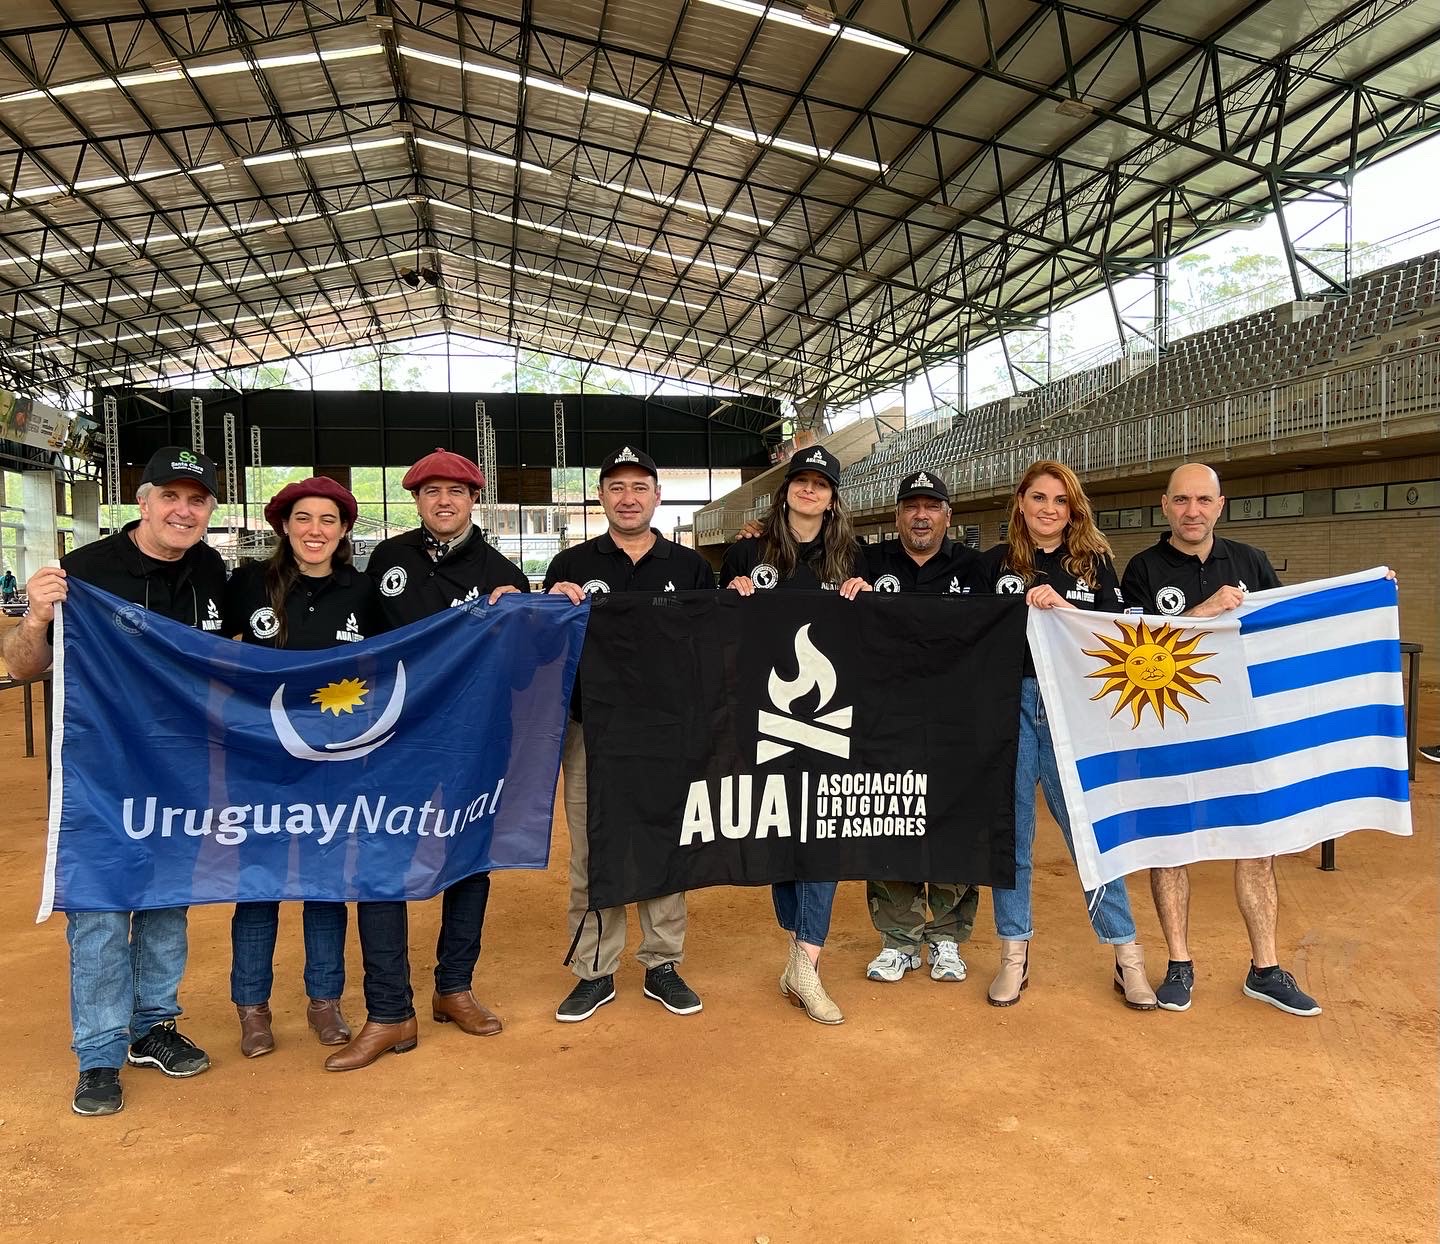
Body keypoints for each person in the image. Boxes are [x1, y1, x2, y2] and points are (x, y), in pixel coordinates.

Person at [2, 447, 227, 1116]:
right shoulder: (83, 571)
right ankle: (99, 1054)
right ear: (144, 501)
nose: (183, 510)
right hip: (97, 779)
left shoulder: (210, 570)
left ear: (209, 509)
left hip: (180, 772)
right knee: (100, 911)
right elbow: (23, 668)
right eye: (171, 497)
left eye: (197, 500)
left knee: (166, 902)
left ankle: (153, 1025)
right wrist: (35, 617)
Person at [324, 448, 528, 1071]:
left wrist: (533, 610)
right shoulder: (387, 560)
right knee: (379, 862)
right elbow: (355, 642)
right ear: (416, 500)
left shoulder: (501, 572)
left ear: (474, 501)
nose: (444, 501)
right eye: (432, 491)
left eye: (457, 492)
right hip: (390, 741)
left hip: (469, 743)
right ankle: (390, 1011)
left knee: (467, 860)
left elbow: (525, 670)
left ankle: (454, 988)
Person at [1121, 461, 1319, 1017]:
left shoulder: (1250, 561)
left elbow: (1286, 627)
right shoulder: (1141, 569)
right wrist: (1205, 614)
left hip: (1241, 725)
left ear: (1219, 505)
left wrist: (1364, 592)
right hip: (1171, 728)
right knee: (1170, 845)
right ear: (1164, 506)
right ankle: (1179, 964)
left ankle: (1265, 968)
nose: (1192, 511)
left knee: (1257, 846)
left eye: (1202, 501)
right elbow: (1133, 655)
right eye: (1181, 501)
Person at [977, 459, 1157, 1011]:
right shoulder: (992, 565)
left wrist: (1064, 611)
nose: (1049, 509)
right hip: (1008, 709)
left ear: (1072, 508)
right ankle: (1014, 954)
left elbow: (1118, 639)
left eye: (1060, 500)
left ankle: (1129, 959)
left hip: (1070, 714)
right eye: (1038, 498)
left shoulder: (1096, 567)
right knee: (1014, 839)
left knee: (1090, 835)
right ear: (1021, 503)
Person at [545, 445, 716, 1022]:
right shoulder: (570, 565)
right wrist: (548, 608)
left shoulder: (690, 569)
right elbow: (547, 653)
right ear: (602, 497)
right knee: (594, 845)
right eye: (617, 487)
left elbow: (712, 649)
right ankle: (595, 970)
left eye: (639, 487)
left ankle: (663, 962)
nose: (628, 497)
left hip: (668, 730)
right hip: (592, 729)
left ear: (657, 497)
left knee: (665, 840)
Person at [222, 476, 383, 1058]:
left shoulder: (364, 591)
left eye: (328, 521)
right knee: (257, 887)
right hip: (259, 758)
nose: (315, 530)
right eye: (304, 519)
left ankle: (324, 1002)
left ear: (343, 531)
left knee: (325, 885)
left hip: (334, 762)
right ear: (284, 526)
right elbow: (195, 650)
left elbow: (403, 657)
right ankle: (253, 1009)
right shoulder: (245, 584)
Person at [721, 444, 869, 1025]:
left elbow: (884, 622)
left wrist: (866, 596)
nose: (810, 491)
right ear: (786, 490)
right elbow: (718, 625)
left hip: (834, 713)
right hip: (763, 712)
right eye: (801, 482)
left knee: (824, 827)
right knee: (779, 825)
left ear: (833, 497)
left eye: (821, 484)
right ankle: (796, 944)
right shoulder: (747, 547)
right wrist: (731, 596)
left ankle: (808, 958)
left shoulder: (852, 554)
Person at [860, 469, 984, 984]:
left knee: (954, 820)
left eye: (931, 506)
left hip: (957, 720)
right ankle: (898, 939)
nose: (921, 515)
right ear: (897, 515)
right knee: (891, 817)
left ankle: (948, 939)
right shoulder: (865, 563)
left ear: (947, 516)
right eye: (911, 505)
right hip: (885, 718)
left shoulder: (977, 568)